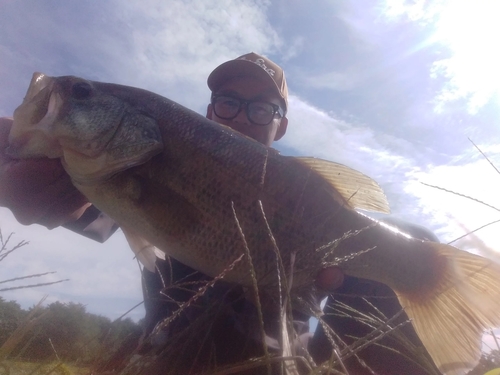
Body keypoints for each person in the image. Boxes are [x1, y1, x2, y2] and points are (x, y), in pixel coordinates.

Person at [0, 53, 439, 374]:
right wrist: (32, 179)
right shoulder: (133, 167)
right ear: (210, 110)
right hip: (174, 360)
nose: (243, 118)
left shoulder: (306, 193)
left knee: (407, 242)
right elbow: (83, 207)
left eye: (263, 108)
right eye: (229, 102)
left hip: (284, 364)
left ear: (280, 124)